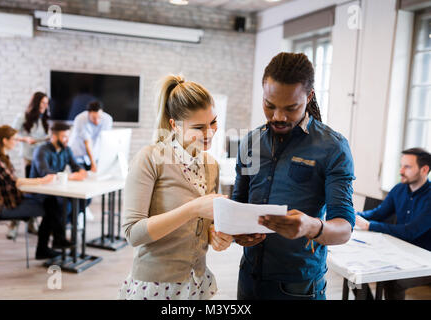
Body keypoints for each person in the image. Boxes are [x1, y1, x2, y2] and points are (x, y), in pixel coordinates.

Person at [232, 52, 355, 300]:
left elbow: (344, 228)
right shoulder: (251, 142)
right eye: (269, 105)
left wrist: (311, 226)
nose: (278, 116)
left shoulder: (333, 147)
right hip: (249, 277)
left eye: (291, 108)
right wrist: (236, 231)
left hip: (297, 286)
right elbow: (238, 203)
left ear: (308, 97)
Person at [118, 75, 233, 300]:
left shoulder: (212, 166)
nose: (210, 133)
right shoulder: (150, 159)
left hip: (196, 283)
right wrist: (193, 209)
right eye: (198, 127)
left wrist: (216, 236)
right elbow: (133, 233)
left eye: (213, 122)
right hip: (156, 286)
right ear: (174, 125)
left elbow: (202, 227)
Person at [0, 125, 72, 259]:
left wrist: (39, 182)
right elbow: (15, 182)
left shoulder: (1, 158)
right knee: (50, 206)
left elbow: (14, 182)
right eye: (14, 139)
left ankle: (53, 243)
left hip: (11, 201)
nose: (16, 142)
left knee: (50, 201)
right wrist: (41, 180)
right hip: (3, 207)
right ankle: (47, 246)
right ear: (5, 141)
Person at [355, 148, 431, 300]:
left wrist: (369, 225)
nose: (401, 171)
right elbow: (378, 213)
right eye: (401, 165)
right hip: (400, 252)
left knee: (394, 281)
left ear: (424, 170)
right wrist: (352, 215)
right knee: (358, 272)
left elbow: (410, 231)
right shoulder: (399, 189)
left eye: (407, 167)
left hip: (425, 260)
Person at [6, 92, 51, 239]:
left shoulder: (44, 118)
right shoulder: (23, 117)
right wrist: (25, 139)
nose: (45, 106)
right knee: (27, 192)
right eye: (43, 103)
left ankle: (31, 224)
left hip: (41, 160)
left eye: (46, 103)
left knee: (37, 193)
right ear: (36, 102)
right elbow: (11, 134)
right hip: (29, 159)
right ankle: (14, 224)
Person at [29, 122, 88, 230]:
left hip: (58, 189)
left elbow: (76, 166)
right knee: (67, 205)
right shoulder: (41, 150)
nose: (67, 140)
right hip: (42, 191)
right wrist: (70, 176)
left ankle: (61, 226)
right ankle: (59, 230)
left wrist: (81, 171)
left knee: (85, 199)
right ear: (54, 136)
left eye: (68, 137)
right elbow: (45, 173)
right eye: (64, 137)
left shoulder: (66, 149)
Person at [68, 100, 113, 172]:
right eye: (94, 118)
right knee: (80, 176)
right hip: (78, 154)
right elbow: (87, 142)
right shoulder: (80, 119)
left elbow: (105, 140)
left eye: (99, 117)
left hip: (93, 153)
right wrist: (93, 163)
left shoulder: (107, 119)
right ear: (88, 113)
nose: (97, 121)